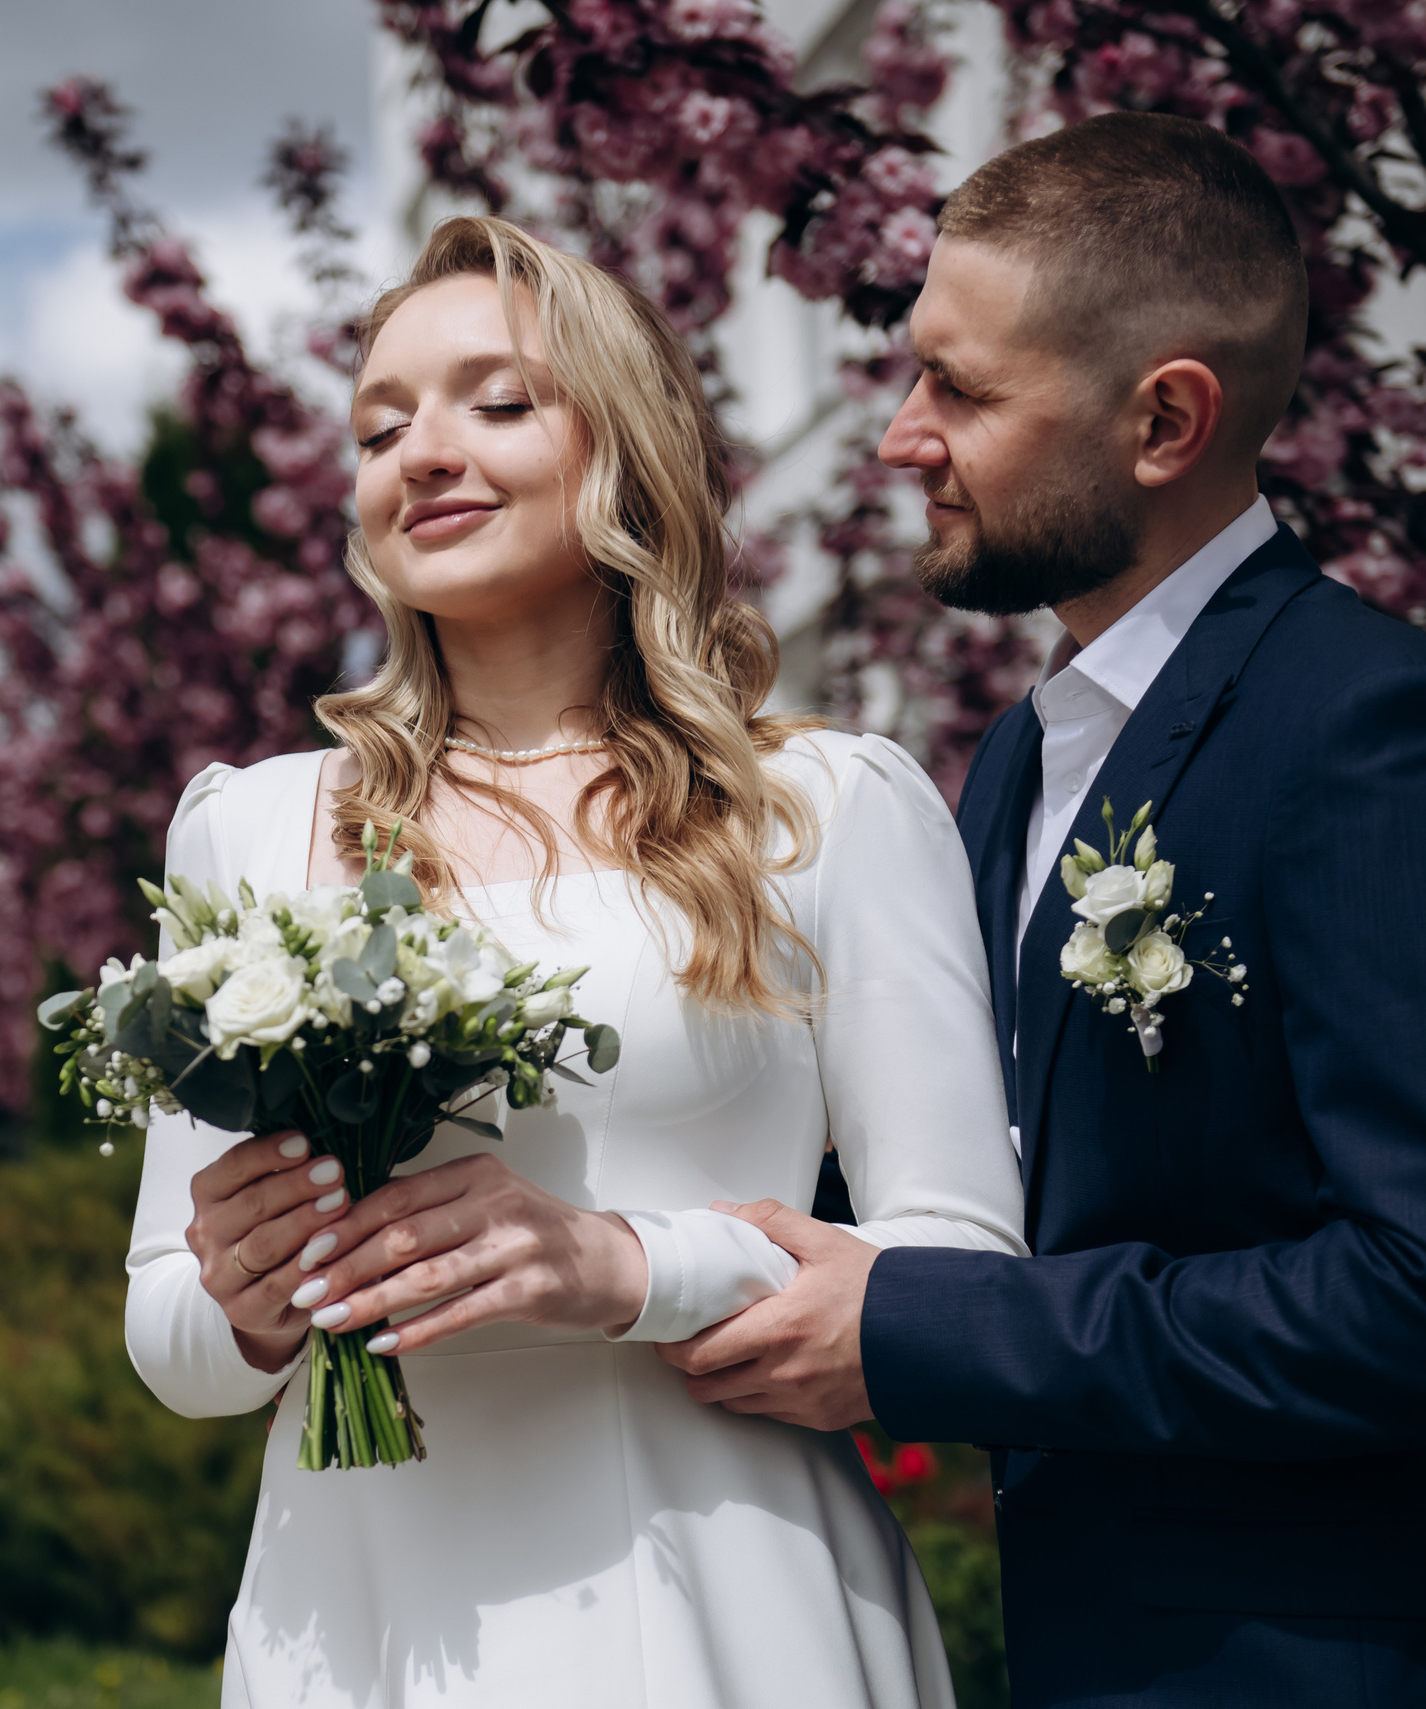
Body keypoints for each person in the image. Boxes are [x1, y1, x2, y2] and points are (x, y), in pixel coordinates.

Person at [660, 113, 1426, 1706]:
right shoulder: (1021, 757)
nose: (902, 436)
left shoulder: (1375, 734)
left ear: (1166, 418)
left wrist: (931, 1330)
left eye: (961, 389)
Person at [122, 214, 1026, 1707]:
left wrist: (624, 1266)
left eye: (498, 400)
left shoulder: (827, 812)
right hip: (358, 1624)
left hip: (730, 1601)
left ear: (627, 448)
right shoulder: (254, 827)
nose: (423, 450)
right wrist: (249, 1293)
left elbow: (960, 1283)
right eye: (381, 421)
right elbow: (172, 1336)